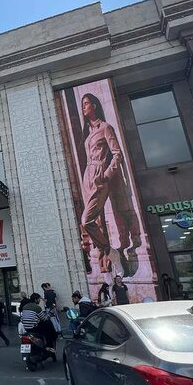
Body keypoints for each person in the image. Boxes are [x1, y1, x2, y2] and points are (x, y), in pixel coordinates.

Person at [77, 92, 140, 276]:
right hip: (87, 177)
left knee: (86, 220)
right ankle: (110, 256)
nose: (84, 107)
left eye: (87, 103)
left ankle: (111, 252)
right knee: (92, 221)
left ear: (95, 105)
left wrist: (106, 175)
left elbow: (117, 153)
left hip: (99, 175)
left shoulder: (105, 127)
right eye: (83, 104)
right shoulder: (88, 134)